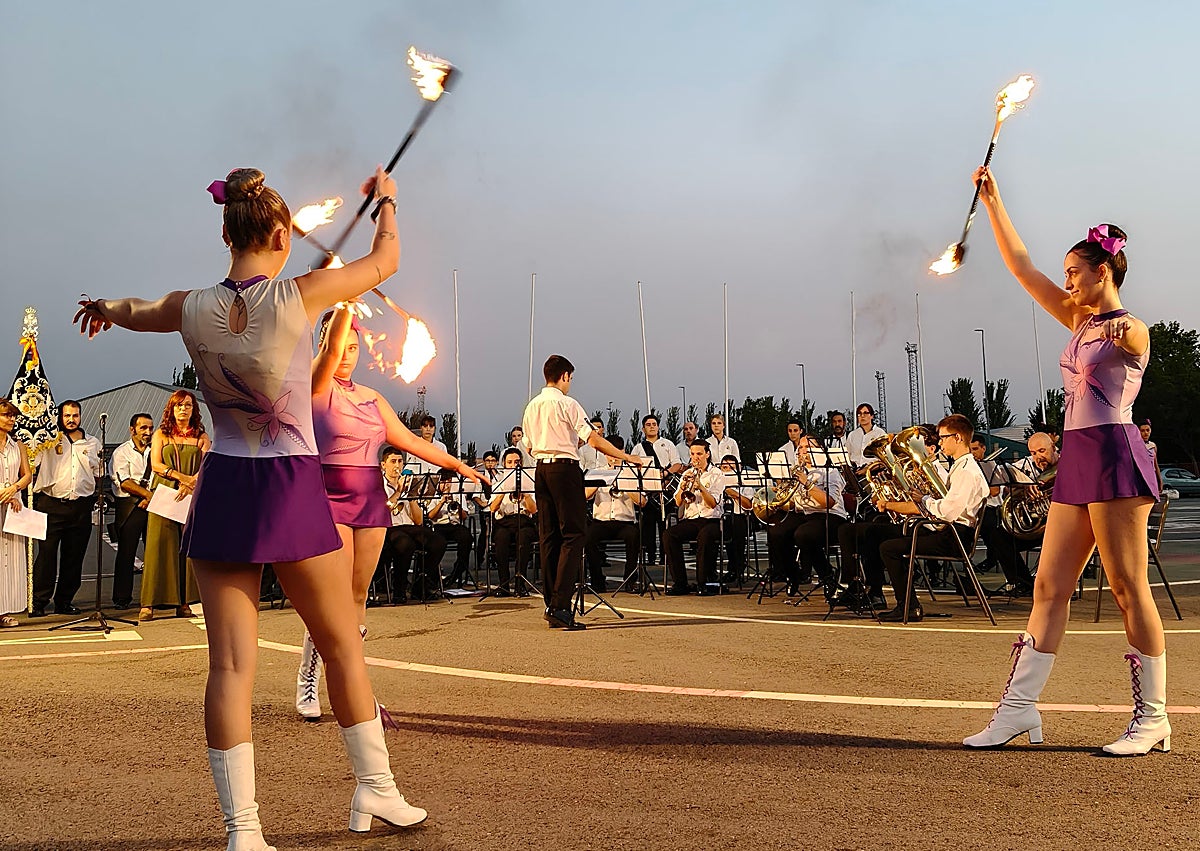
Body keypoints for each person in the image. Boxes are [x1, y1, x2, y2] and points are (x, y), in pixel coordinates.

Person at [74, 165, 429, 847]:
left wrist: (102, 309)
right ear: (277, 232)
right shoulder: (300, 293)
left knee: (230, 667)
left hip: (227, 486)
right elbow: (387, 260)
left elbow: (135, 309)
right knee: (342, 647)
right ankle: (375, 789)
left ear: (225, 232)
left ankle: (245, 830)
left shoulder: (189, 307)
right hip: (290, 484)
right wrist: (387, 202)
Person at [963, 166, 1165, 756]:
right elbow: (1022, 267)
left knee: (1129, 588)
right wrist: (994, 203)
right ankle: (1019, 711)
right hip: (1076, 457)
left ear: (1103, 272)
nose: (1067, 282)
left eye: (1075, 272)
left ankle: (1152, 718)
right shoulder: (1077, 319)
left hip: (1113, 454)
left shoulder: (1133, 329)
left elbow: (1135, 342)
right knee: (1050, 585)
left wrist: (1127, 334)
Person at [297, 306, 480, 719]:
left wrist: (456, 465)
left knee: (359, 596)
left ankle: (354, 686)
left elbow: (411, 442)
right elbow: (317, 367)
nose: (347, 354)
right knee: (336, 598)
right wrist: (344, 304)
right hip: (329, 496)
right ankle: (309, 675)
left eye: (353, 346)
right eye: (338, 347)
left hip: (369, 499)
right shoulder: (312, 388)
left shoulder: (372, 398)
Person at [521, 355, 645, 629]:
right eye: (570, 378)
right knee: (574, 534)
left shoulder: (532, 406)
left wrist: (559, 442)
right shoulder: (567, 403)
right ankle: (561, 606)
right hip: (565, 470)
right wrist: (626, 456)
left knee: (548, 536)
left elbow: (528, 446)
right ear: (564, 376)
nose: (570, 383)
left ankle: (551, 603)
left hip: (541, 470)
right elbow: (594, 439)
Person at [874, 414, 988, 622]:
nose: (941, 442)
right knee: (890, 541)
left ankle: (908, 606)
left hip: (955, 536)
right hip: (951, 531)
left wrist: (924, 499)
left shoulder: (967, 472)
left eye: (943, 438)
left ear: (958, 438)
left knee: (889, 548)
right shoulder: (960, 467)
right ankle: (906, 604)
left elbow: (948, 512)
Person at [140, 390, 210, 622]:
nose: (183, 409)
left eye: (188, 405)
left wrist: (192, 483)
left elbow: (209, 464)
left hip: (192, 493)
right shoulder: (161, 434)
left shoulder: (201, 436)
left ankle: (184, 602)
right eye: (179, 405)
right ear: (171, 408)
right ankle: (149, 603)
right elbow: (157, 464)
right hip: (166, 492)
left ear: (194, 409)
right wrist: (183, 478)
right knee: (159, 545)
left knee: (186, 547)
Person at [30, 400, 102, 618]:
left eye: (75, 415)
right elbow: (33, 462)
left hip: (80, 506)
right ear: (59, 417)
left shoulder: (93, 442)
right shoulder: (49, 440)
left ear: (80, 416)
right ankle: (39, 601)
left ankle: (65, 601)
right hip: (51, 505)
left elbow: (98, 472)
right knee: (46, 556)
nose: (71, 419)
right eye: (67, 415)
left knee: (74, 557)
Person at [380, 448, 446, 605]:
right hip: (389, 527)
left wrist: (411, 495)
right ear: (383, 465)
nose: (397, 465)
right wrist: (398, 492)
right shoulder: (379, 485)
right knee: (405, 544)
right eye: (393, 461)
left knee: (438, 542)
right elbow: (384, 510)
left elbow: (418, 521)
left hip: (408, 527)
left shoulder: (407, 482)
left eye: (400, 461)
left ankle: (420, 584)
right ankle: (399, 590)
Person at [584, 436, 646, 591]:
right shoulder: (597, 472)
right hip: (601, 521)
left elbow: (642, 502)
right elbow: (585, 496)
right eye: (610, 454)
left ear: (623, 452)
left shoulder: (631, 473)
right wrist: (601, 482)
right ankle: (598, 581)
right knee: (587, 537)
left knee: (634, 536)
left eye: (616, 453)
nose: (613, 458)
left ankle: (630, 580)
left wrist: (625, 483)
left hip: (625, 522)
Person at [663, 441, 725, 596]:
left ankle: (704, 582)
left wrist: (701, 487)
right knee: (669, 535)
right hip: (691, 519)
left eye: (699, 454)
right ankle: (680, 583)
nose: (695, 458)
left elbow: (712, 504)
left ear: (707, 454)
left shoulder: (717, 474)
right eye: (692, 454)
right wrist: (683, 487)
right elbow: (678, 502)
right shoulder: (687, 473)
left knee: (705, 536)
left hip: (712, 519)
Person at [109, 412, 154, 609]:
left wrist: (151, 498)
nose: (148, 432)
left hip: (153, 505)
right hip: (129, 506)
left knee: (155, 553)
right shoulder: (121, 452)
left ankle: (153, 597)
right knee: (126, 554)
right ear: (132, 429)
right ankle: (121, 598)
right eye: (143, 428)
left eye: (150, 428)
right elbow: (124, 482)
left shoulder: (156, 451)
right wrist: (147, 496)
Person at [630, 413, 683, 566]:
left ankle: (665, 555)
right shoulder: (638, 448)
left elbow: (677, 464)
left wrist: (665, 473)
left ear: (658, 427)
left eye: (654, 424)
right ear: (643, 428)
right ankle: (650, 555)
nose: (652, 427)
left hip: (665, 489)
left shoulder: (668, 444)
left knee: (664, 523)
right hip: (648, 491)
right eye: (648, 425)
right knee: (648, 524)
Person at [486, 447, 538, 597]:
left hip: (523, 520)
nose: (513, 465)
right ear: (504, 464)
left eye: (516, 462)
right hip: (505, 521)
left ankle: (520, 583)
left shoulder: (529, 480)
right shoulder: (498, 482)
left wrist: (526, 494)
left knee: (524, 538)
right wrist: (503, 491)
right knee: (501, 539)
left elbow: (534, 510)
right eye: (510, 462)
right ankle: (503, 584)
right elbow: (492, 508)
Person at [0, 398, 33, 628]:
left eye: (13, 416)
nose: (11, 420)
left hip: (13, 506)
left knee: (10, 560)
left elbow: (27, 474)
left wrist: (14, 488)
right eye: (6, 415)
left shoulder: (17, 445)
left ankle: (5, 610)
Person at [427, 471, 475, 588]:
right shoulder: (433, 495)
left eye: (449, 482)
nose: (447, 485)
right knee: (438, 544)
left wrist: (457, 505)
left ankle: (457, 573)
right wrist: (442, 502)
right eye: (443, 482)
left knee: (467, 538)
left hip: (455, 525)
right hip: (438, 526)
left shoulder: (459, 494)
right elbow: (430, 516)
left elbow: (464, 516)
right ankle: (433, 577)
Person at [718, 455, 754, 584]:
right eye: (725, 467)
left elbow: (749, 505)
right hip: (720, 516)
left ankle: (737, 566)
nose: (727, 470)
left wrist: (734, 493)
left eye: (731, 467)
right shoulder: (717, 479)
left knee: (735, 525)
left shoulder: (744, 480)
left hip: (740, 515)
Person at [846, 403, 887, 469]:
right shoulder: (852, 435)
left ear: (871, 416)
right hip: (855, 471)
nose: (862, 416)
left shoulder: (880, 433)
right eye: (859, 414)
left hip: (874, 471)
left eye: (865, 413)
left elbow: (884, 458)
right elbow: (847, 455)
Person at [1139, 419, 1162, 490]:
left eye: (1147, 430)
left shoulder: (1153, 445)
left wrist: (1160, 480)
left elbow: (1156, 464)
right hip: (1140, 477)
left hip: (1152, 476)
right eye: (1142, 431)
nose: (1145, 433)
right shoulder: (1135, 446)